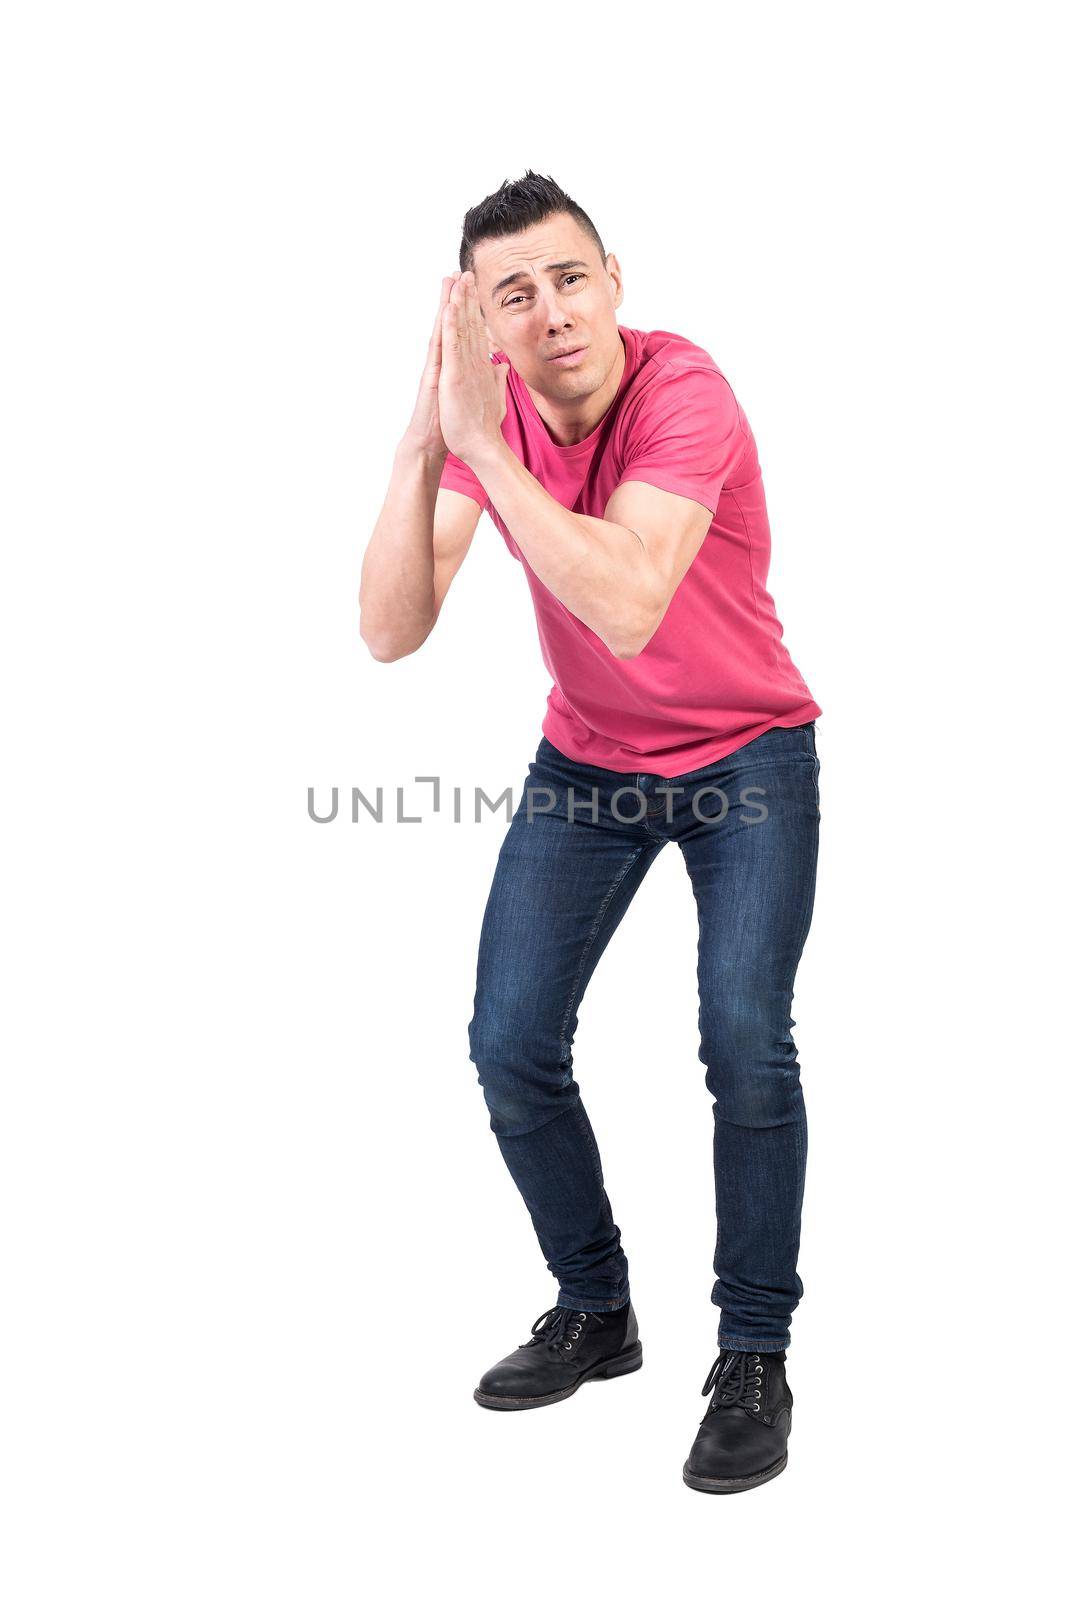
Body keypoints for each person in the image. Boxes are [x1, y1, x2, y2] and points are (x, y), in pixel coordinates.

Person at [359, 171, 822, 1495]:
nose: (551, 309)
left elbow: (626, 602)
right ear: (482, 323)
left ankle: (752, 1352)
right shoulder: (484, 412)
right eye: (515, 293)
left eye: (569, 277)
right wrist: (422, 441)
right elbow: (392, 631)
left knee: (744, 1040)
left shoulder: (686, 394)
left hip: (749, 757)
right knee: (507, 1044)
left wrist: (485, 449)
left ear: (614, 277)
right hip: (589, 766)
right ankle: (596, 1309)